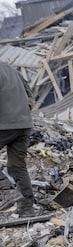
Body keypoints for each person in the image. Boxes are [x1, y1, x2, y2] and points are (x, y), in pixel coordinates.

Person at [0, 61, 35, 216]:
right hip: (24, 124)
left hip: (4, 125)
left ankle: (7, 191)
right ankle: (26, 209)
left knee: (17, 166)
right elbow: (30, 97)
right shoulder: (11, 69)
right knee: (17, 166)